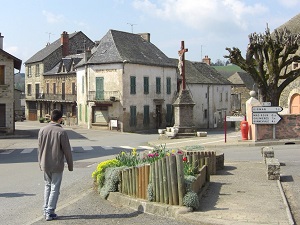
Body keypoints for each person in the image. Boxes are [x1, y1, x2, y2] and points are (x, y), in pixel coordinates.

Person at [38, 109, 73, 221]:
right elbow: (67, 150)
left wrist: (40, 163)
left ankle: (45, 209)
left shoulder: (42, 130)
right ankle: (50, 211)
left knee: (47, 186)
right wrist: (70, 165)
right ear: (60, 119)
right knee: (55, 188)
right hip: (56, 164)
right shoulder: (61, 132)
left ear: (50, 118)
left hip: (45, 163)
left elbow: (39, 148)